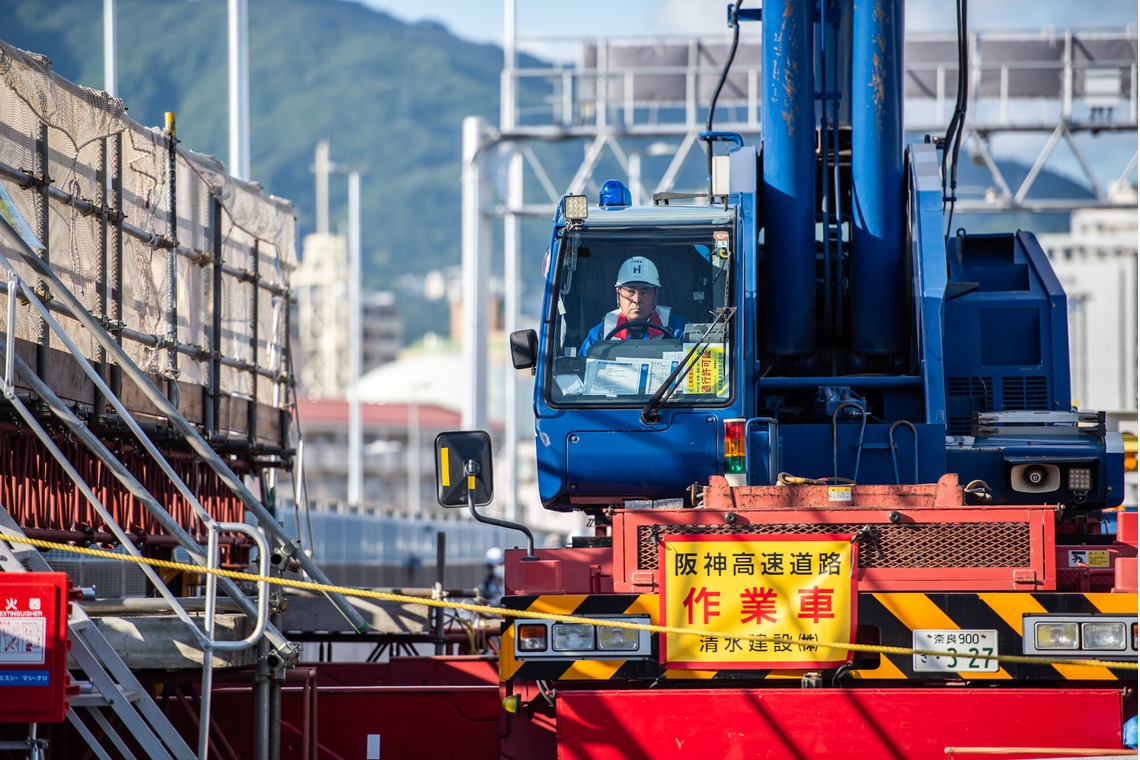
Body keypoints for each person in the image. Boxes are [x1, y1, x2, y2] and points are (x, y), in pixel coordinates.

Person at [578, 256, 688, 355]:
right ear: (618, 293)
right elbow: (581, 370)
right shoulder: (600, 334)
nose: (636, 300)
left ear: (656, 294)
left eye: (644, 292)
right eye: (630, 291)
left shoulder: (679, 330)